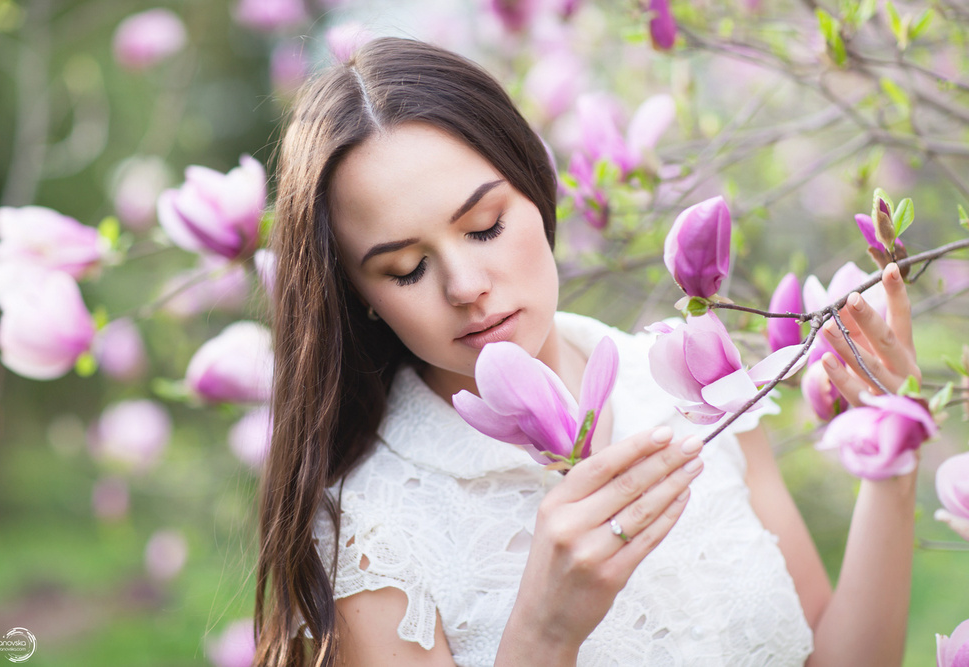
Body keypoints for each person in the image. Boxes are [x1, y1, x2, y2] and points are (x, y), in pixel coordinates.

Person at [252, 37, 922, 666]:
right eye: (405, 268)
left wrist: (891, 459)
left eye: (484, 227)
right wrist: (544, 632)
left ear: (537, 192)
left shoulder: (692, 386)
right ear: (362, 295)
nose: (466, 286)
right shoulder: (372, 531)